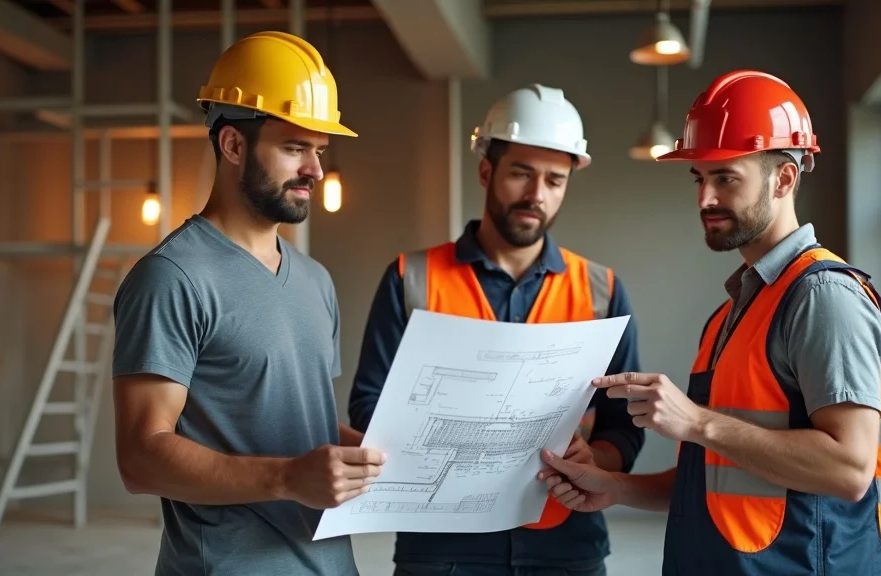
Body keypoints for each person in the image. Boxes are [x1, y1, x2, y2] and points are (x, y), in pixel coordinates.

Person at [538, 70, 881, 575]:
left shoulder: (824, 297)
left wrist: (694, 421)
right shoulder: (735, 310)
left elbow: (849, 468)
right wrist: (618, 488)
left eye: (726, 178)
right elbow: (715, 477)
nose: (704, 198)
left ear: (784, 179)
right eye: (699, 178)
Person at [110, 31, 385, 576]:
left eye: (320, 150)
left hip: (332, 564)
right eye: (294, 147)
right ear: (233, 145)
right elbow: (141, 457)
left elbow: (306, 425)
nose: (316, 170)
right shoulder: (171, 277)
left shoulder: (315, 281)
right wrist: (285, 478)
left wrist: (384, 451)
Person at [348, 83, 645, 576]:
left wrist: (596, 458)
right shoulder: (410, 278)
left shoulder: (601, 290)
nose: (536, 195)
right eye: (521, 174)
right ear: (486, 171)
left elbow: (624, 422)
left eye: (555, 180)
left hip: (567, 547)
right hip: (439, 550)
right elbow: (367, 405)